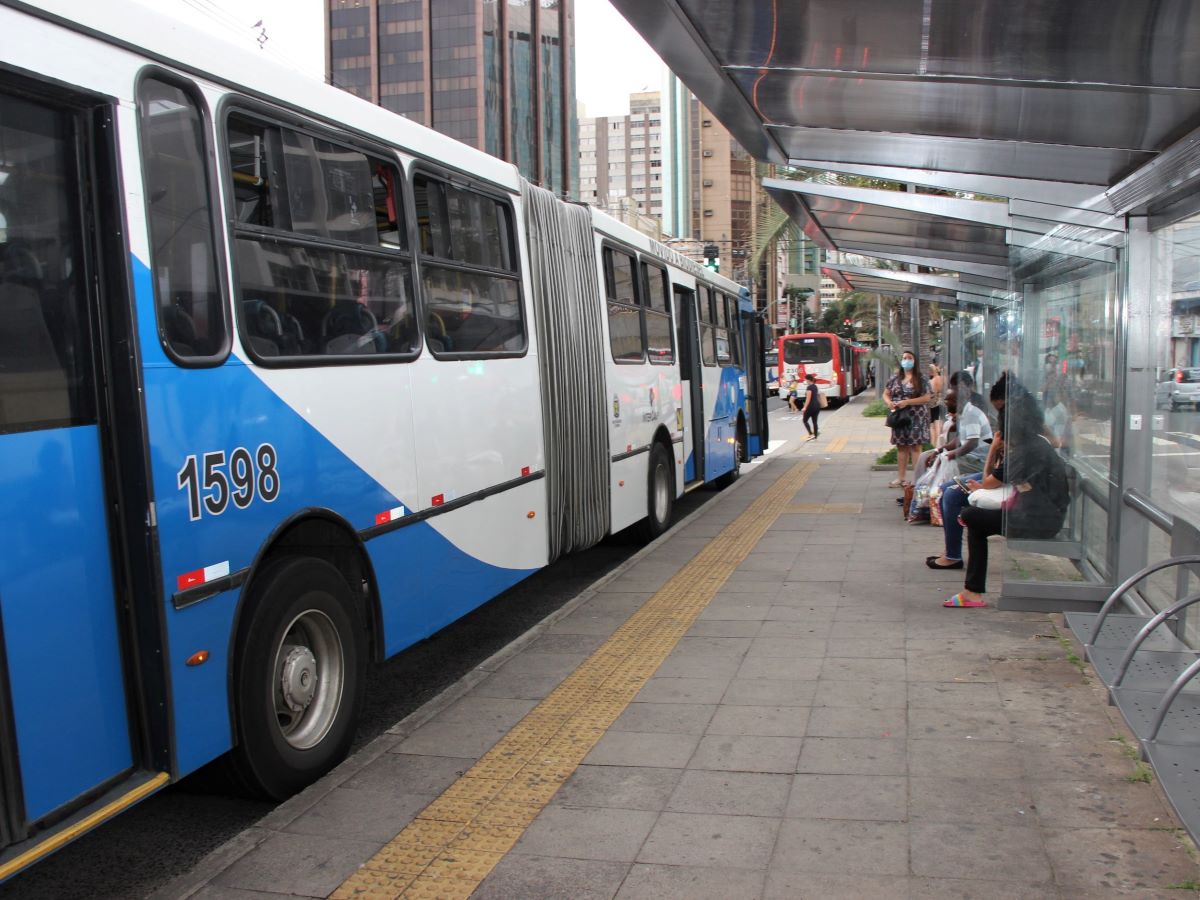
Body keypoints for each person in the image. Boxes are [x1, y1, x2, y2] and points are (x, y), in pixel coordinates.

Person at [943, 391, 1069, 608]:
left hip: (1038, 521)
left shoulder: (1026, 451)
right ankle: (972, 591)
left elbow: (989, 480)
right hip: (1041, 514)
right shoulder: (1036, 444)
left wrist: (993, 449)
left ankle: (973, 592)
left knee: (971, 516)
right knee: (975, 519)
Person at [924, 383, 995, 565]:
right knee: (944, 488)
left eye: (949, 399)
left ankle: (953, 555)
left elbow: (970, 443)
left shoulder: (970, 414)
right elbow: (959, 440)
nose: (945, 401)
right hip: (984, 466)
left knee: (950, 494)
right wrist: (941, 450)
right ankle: (950, 549)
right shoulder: (965, 413)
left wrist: (950, 455)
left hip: (977, 461)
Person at [885, 350, 931, 487]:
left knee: (916, 447)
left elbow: (927, 397)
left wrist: (907, 402)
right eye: (904, 358)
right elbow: (886, 394)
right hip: (899, 417)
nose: (906, 360)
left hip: (916, 417)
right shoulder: (894, 379)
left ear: (914, 361)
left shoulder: (921, 379)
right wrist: (889, 403)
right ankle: (901, 478)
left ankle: (917, 479)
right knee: (901, 447)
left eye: (909, 358)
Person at [927, 363, 945, 447]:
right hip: (940, 401)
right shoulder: (942, 378)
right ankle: (938, 442)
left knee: (932, 424)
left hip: (932, 403)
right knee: (938, 422)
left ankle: (933, 443)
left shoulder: (932, 381)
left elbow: (931, 393)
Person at [800, 373, 820, 439]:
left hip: (811, 406)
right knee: (815, 422)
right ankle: (815, 435)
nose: (805, 381)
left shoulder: (809, 387)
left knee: (805, 420)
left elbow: (808, 399)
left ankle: (811, 434)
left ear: (808, 380)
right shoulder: (815, 386)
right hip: (817, 406)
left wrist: (804, 407)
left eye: (805, 380)